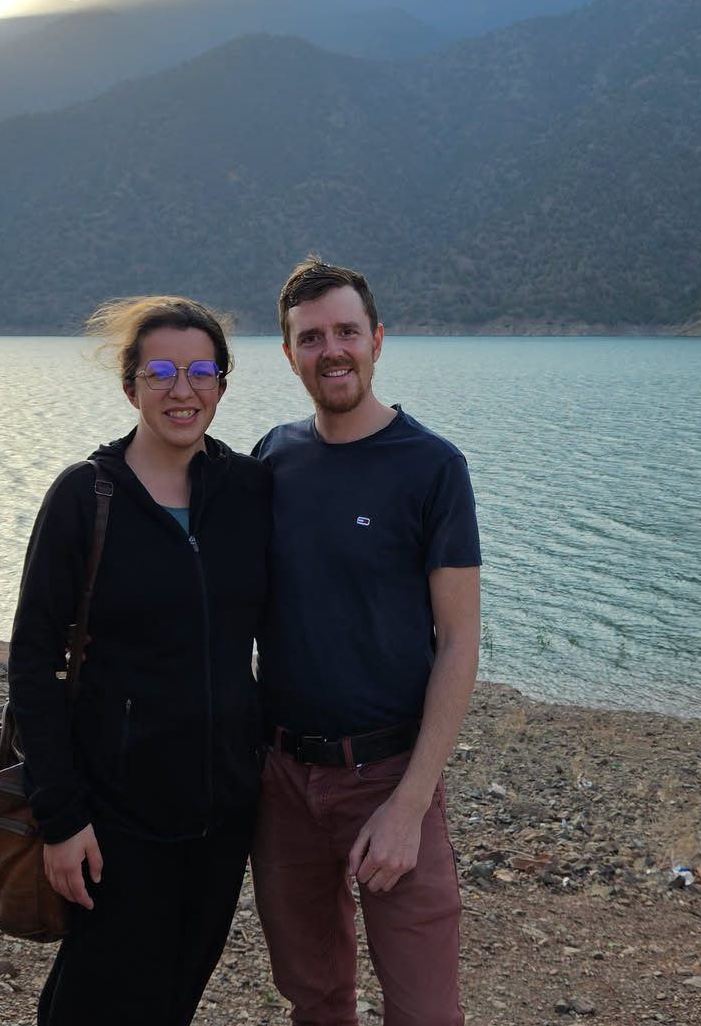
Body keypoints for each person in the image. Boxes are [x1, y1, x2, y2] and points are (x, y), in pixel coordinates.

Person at [8, 296, 272, 1026]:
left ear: (221, 385)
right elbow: (32, 661)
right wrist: (61, 818)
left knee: (174, 996)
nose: (181, 390)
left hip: (223, 815)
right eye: (160, 372)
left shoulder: (249, 490)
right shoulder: (84, 496)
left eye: (200, 372)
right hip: (115, 818)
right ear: (131, 387)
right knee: (94, 1001)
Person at [251, 258, 483, 1026]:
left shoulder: (432, 467)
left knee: (424, 1011)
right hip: (283, 780)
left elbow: (459, 641)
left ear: (377, 340)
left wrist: (410, 805)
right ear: (290, 354)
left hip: (390, 773)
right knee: (314, 1000)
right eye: (311, 337)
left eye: (346, 332)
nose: (332, 350)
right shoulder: (270, 459)